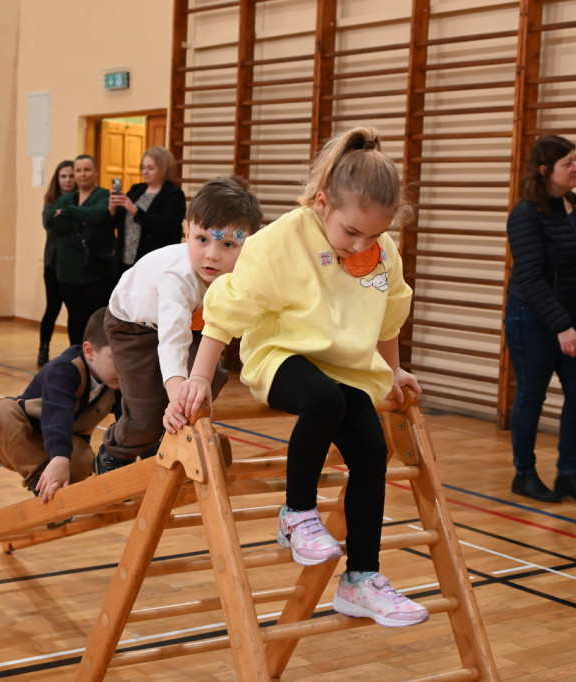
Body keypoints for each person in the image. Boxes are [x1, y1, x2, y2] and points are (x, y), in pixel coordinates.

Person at [167, 128, 430, 628]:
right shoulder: (282, 241)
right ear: (323, 201)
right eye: (352, 231)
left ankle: (361, 580)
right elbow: (228, 309)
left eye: (375, 234)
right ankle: (296, 514)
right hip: (280, 353)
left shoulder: (379, 252)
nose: (363, 244)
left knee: (372, 452)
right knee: (324, 402)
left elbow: (391, 311)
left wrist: (392, 368)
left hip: (344, 364)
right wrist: (198, 377)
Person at [95, 176, 263, 474]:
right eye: (202, 240)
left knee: (209, 379)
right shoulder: (181, 276)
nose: (212, 255)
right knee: (146, 412)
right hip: (133, 325)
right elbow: (172, 343)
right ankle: (114, 451)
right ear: (187, 231)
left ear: (248, 246)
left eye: (228, 244)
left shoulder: (243, 274)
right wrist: (176, 400)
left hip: (193, 325)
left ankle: (161, 441)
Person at [505, 135, 576, 506]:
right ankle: (525, 474)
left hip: (573, 318)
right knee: (532, 395)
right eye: (569, 163)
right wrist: (561, 326)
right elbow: (530, 278)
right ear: (546, 170)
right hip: (532, 319)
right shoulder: (526, 214)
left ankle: (568, 474)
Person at [0, 309, 120, 500]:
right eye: (116, 359)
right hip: (25, 440)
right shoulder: (65, 369)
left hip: (67, 446)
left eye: (129, 358)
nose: (125, 366)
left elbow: (136, 421)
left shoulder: (120, 381)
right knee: (2, 411)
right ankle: (40, 484)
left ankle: (54, 487)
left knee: (85, 460)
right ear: (89, 351)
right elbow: (58, 413)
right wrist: (59, 457)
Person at [46, 155, 114, 345]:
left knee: (95, 321)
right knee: (74, 318)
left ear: (96, 172)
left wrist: (68, 213)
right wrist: (83, 219)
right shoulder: (66, 198)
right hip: (67, 272)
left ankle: (96, 365)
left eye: (87, 170)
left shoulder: (103, 195)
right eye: (78, 170)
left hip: (95, 272)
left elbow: (100, 215)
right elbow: (51, 222)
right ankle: (76, 359)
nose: (82, 174)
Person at [109, 146, 186, 273]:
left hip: (154, 261)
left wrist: (136, 211)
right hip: (125, 258)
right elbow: (118, 222)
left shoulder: (174, 195)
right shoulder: (136, 189)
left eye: (150, 168)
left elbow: (166, 226)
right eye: (143, 168)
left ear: (164, 169)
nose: (145, 172)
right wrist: (112, 209)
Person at [37, 159, 77, 367]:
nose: (68, 180)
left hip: (73, 264)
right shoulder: (51, 200)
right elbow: (51, 225)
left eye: (71, 176)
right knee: (52, 307)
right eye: (64, 176)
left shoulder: (81, 199)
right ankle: (43, 347)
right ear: (57, 179)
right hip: (53, 263)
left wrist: (69, 216)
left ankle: (74, 351)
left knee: (73, 309)